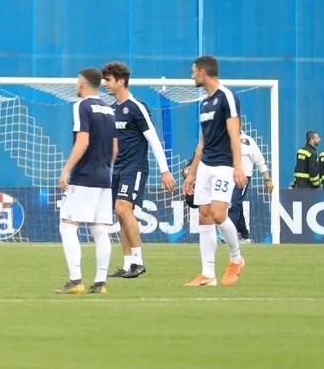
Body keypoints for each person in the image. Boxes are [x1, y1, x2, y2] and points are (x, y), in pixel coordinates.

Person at [100, 61, 174, 279]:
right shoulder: (112, 109)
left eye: (108, 80)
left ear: (120, 81)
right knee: (121, 215)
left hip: (135, 168)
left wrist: (165, 171)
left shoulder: (136, 107)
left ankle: (139, 262)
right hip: (117, 169)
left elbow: (153, 140)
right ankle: (127, 264)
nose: (105, 84)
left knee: (123, 209)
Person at [182, 55, 247, 287]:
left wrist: (238, 167)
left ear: (202, 72)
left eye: (193, 71)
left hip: (224, 166)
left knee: (219, 214)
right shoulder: (204, 103)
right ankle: (207, 275)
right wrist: (192, 173)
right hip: (206, 166)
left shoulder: (227, 97)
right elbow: (202, 142)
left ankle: (236, 258)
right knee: (204, 215)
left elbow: (234, 134)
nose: (191, 76)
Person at [55, 67, 117, 296]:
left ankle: (76, 280)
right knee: (100, 229)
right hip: (104, 176)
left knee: (68, 224)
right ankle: (100, 283)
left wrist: (66, 170)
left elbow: (82, 141)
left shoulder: (81, 106)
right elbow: (114, 148)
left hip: (84, 177)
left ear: (83, 83)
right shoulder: (109, 109)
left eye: (77, 81)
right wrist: (103, 167)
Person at [230, 132, 273, 242]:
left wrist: (267, 179)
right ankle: (244, 236)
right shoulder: (224, 139)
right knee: (236, 206)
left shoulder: (247, 141)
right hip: (227, 178)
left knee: (233, 204)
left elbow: (260, 161)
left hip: (242, 179)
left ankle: (230, 235)